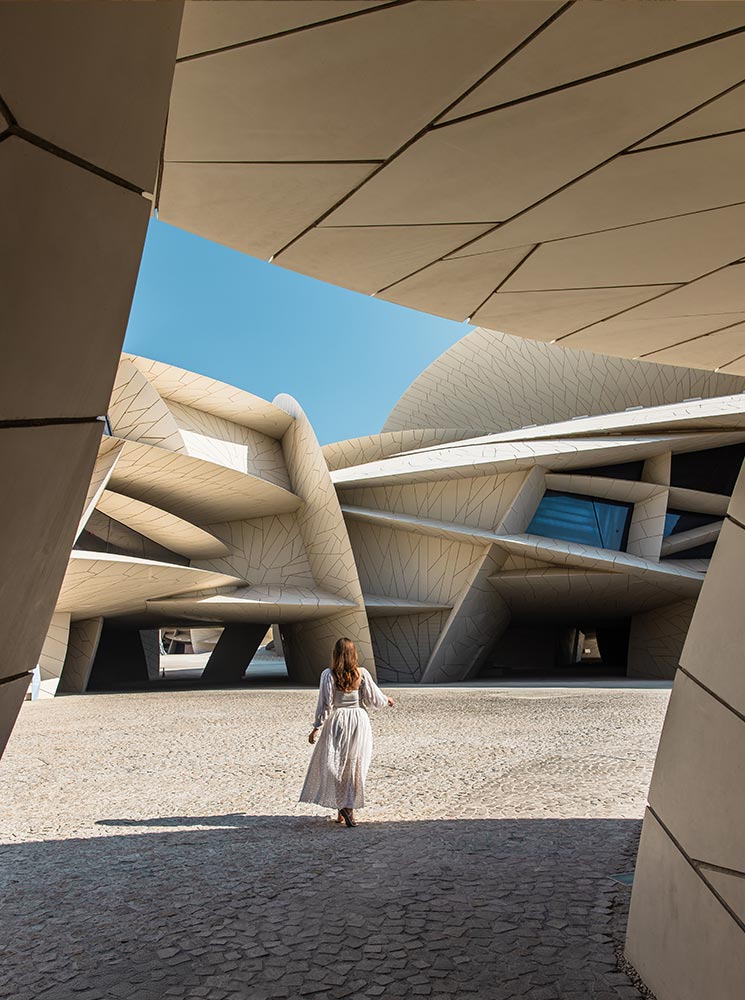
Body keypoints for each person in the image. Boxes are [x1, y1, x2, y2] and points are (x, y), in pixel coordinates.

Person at [299, 637, 394, 827]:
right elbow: (374, 699)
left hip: (338, 720)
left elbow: (325, 704)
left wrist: (316, 727)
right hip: (359, 720)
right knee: (356, 764)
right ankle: (347, 808)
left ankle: (343, 808)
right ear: (354, 654)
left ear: (335, 654)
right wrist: (387, 699)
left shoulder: (328, 675)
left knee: (336, 763)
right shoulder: (362, 673)